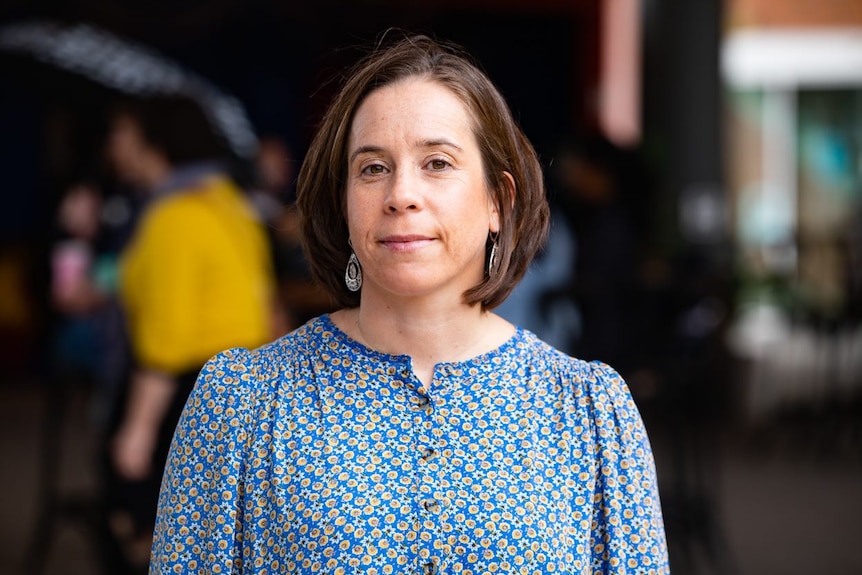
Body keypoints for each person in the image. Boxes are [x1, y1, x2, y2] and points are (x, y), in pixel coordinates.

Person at [150, 34, 669, 573]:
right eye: (373, 168)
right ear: (344, 203)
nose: (401, 194)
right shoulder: (243, 402)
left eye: (437, 163)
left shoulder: (588, 412)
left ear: (499, 200)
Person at [103, 96, 280, 573]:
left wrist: (136, 432)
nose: (112, 146)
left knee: (153, 543)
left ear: (153, 144)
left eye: (122, 134)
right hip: (237, 389)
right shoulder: (226, 201)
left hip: (180, 397)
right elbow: (265, 301)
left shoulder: (172, 218)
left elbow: (166, 338)